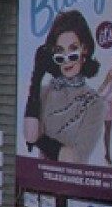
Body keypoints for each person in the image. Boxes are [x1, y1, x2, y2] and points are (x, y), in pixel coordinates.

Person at [24, 9, 104, 163]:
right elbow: (29, 134)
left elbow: (75, 158)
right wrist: (37, 77)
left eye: (73, 49)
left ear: (85, 49)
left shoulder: (95, 103)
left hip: (73, 183)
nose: (67, 59)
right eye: (60, 51)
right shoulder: (44, 92)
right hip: (42, 178)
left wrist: (40, 140)